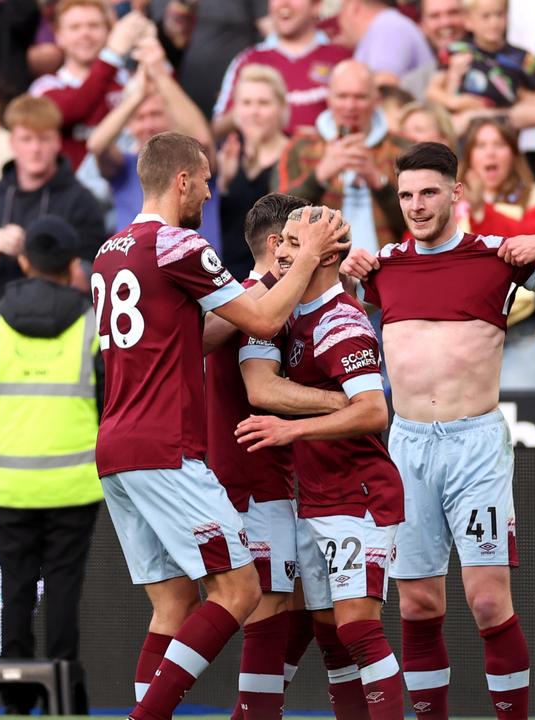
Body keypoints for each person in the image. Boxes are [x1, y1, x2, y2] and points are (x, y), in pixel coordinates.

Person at [340, 141, 535, 720]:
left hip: (475, 444)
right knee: (416, 603)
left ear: (456, 193)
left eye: (429, 192)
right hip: (407, 444)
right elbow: (329, 314)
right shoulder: (384, 265)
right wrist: (345, 273)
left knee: (487, 600)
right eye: (407, 194)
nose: (416, 204)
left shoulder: (498, 257)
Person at [92, 131, 349, 720]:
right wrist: (305, 254)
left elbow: (194, 336)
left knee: (173, 602)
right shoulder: (181, 245)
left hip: (115, 446)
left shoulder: (109, 252)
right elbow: (261, 318)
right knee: (240, 590)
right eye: (205, 179)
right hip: (166, 447)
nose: (210, 192)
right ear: (181, 179)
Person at [237, 205, 406, 720]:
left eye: (294, 241)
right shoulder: (290, 315)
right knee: (331, 639)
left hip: (358, 495)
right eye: (282, 241)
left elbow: (374, 411)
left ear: (328, 253)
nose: (282, 251)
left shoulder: (341, 321)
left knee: (357, 627)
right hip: (312, 497)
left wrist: (293, 428)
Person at [203, 193, 347, 719]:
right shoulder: (252, 302)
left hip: (289, 483)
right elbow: (263, 390)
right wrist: (352, 400)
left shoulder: (282, 300)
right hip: (252, 481)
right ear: (277, 244)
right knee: (268, 607)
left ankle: (252, 711)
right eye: (299, 237)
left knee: (311, 609)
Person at [0, 214, 104, 712]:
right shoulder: (92, 323)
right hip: (74, 481)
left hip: (8, 479)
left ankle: (17, 694)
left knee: (16, 585)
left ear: (23, 261)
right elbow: (107, 400)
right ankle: (65, 690)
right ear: (72, 267)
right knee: (64, 586)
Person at [0, 94, 105, 333]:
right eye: (27, 139)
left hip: (59, 332)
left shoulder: (81, 200)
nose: (35, 148)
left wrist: (33, 251)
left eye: (44, 139)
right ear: (12, 142)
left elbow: (93, 283)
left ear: (57, 142)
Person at [457, 118, 535, 390]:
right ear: (469, 155)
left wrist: (483, 213)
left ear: (514, 154)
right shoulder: (447, 201)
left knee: (527, 423)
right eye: (481, 145)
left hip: (523, 339)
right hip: (460, 346)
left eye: (499, 144)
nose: (490, 153)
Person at [87, 36, 215, 238]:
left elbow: (203, 139)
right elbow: (96, 145)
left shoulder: (196, 162)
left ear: (172, 118)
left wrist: (161, 77)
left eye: (155, 115)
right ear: (129, 124)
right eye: (140, 118)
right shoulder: (126, 166)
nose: (148, 126)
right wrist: (138, 95)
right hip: (136, 267)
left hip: (197, 265)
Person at [277, 59, 405, 256]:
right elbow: (276, 218)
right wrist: (319, 176)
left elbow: (417, 220)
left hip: (387, 269)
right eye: (342, 96)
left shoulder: (403, 149)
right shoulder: (300, 147)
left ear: (376, 99)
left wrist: (378, 181)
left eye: (360, 97)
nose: (350, 106)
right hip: (320, 272)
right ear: (329, 98)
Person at [426, 0, 535, 172]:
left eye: (499, 15)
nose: (494, 22)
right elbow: (432, 91)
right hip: (464, 151)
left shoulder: (523, 58)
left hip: (506, 146)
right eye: (486, 16)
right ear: (468, 20)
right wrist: (457, 102)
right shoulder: (455, 51)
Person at [29, 0, 148, 169]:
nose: (85, 34)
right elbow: (74, 109)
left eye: (94, 26)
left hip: (130, 183)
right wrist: (112, 55)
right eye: (75, 27)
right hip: (71, 190)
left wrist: (151, 48)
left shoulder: (128, 80)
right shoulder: (44, 87)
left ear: (109, 31)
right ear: (58, 36)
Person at [213, 0, 353, 138]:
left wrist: (327, 138)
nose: (284, 3)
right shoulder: (248, 60)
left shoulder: (343, 59)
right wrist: (250, 108)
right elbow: (216, 129)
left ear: (316, 6)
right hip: (259, 159)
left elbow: (359, 125)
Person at [217, 65, 291, 280]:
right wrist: (223, 182)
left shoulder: (296, 153)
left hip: (278, 280)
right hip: (230, 281)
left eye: (263, 103)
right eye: (246, 103)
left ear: (281, 108)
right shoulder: (226, 155)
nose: (254, 111)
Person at [337, 0, 434, 98]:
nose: (339, 22)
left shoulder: (387, 26)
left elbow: (385, 87)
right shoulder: (384, 26)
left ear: (354, 8)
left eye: (341, 11)